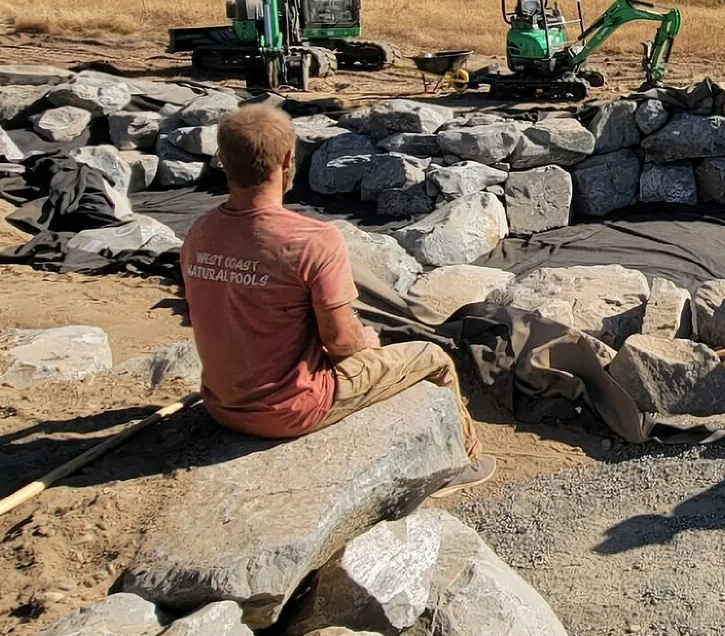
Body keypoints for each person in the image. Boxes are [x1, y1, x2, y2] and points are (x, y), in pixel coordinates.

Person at [180, 103, 493, 486]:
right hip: (290, 410)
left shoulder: (200, 231)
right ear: (289, 159)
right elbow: (341, 341)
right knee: (433, 357)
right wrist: (366, 342)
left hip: (222, 404)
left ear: (223, 161)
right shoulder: (312, 241)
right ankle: (464, 462)